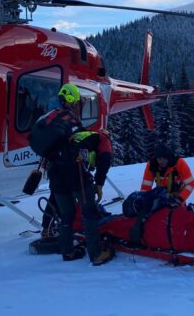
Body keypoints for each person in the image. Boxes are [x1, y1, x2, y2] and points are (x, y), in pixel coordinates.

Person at [29, 83, 115, 266]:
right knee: (89, 211)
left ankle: (67, 252)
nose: (78, 106)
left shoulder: (49, 119)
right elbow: (81, 144)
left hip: (55, 175)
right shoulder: (71, 121)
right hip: (74, 173)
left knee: (66, 214)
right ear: (72, 102)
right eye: (78, 102)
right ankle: (96, 254)